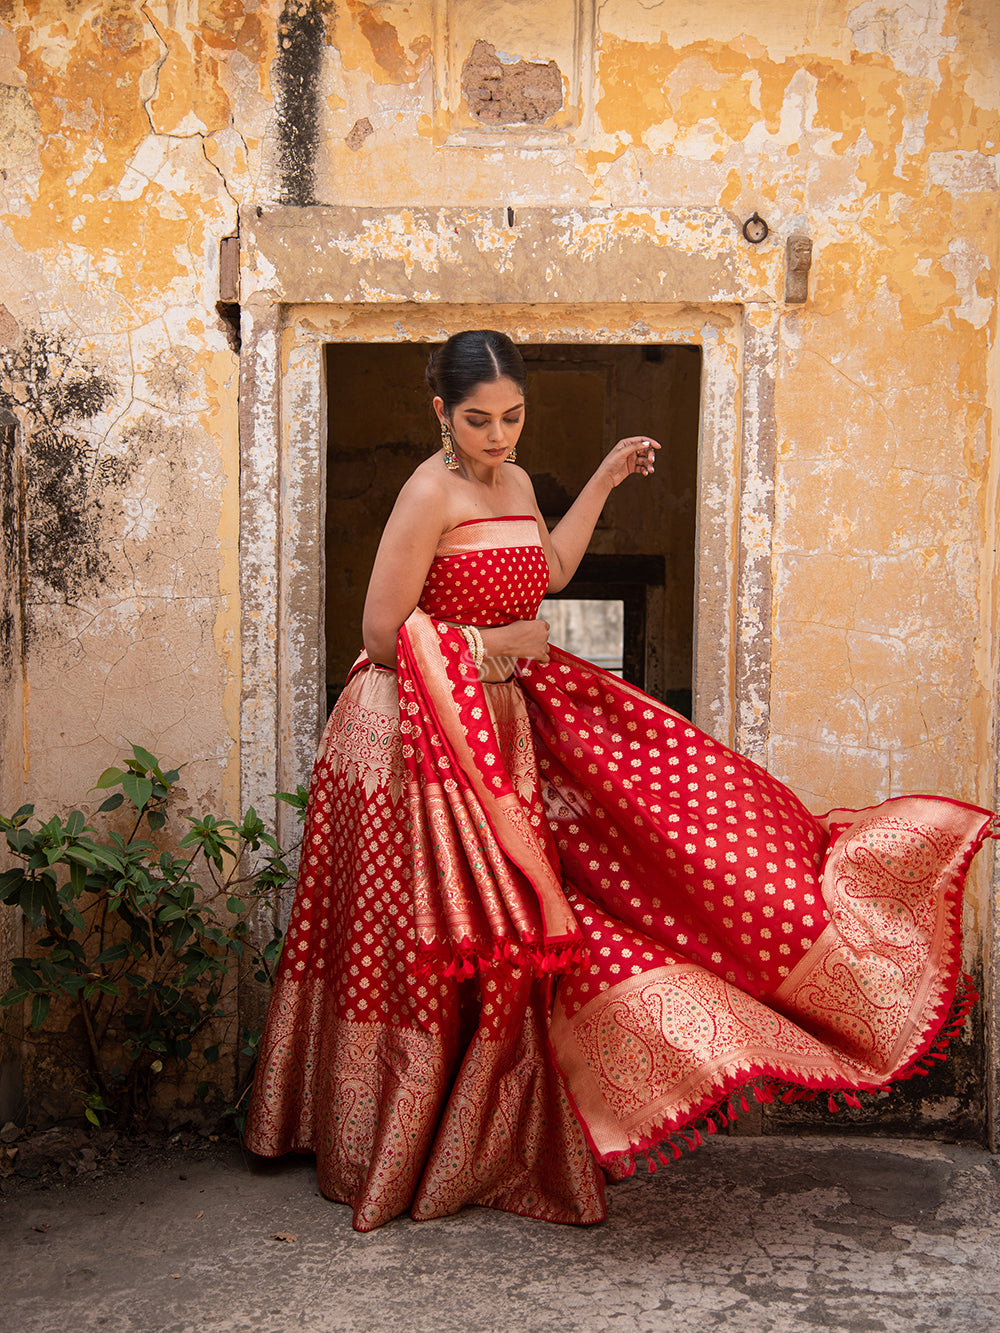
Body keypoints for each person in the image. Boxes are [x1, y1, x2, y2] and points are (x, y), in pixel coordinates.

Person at [244, 330, 996, 1232]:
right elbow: (378, 636)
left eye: (512, 416)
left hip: (496, 726)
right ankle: (387, 1138)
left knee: (547, 910)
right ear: (440, 410)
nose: (497, 435)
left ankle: (485, 1137)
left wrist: (599, 479)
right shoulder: (425, 491)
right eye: (477, 419)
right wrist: (495, 649)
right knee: (425, 932)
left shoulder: (517, 484)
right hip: (407, 741)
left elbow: (548, 572)